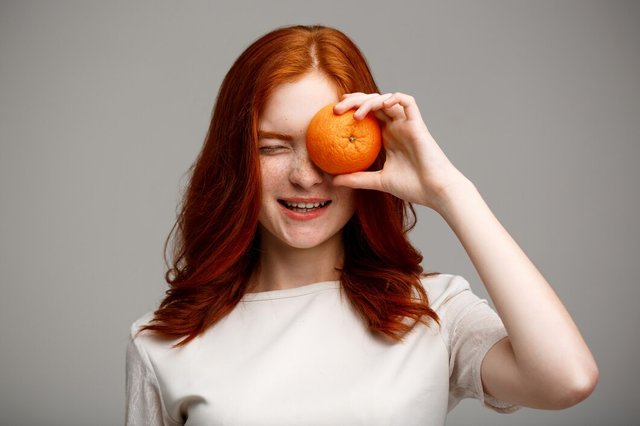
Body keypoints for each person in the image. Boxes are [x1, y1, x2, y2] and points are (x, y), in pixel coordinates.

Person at [125, 24, 598, 425]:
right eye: (271, 146)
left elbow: (567, 380)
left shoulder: (431, 313)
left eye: (325, 146)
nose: (305, 176)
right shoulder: (162, 342)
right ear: (235, 161)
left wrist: (450, 191)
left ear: (371, 151)